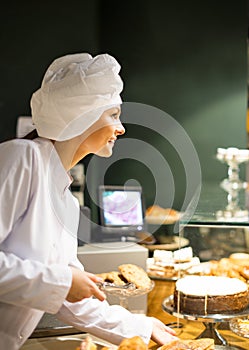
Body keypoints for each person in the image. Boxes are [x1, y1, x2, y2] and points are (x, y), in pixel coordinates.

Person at [0, 53, 178, 349]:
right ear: (80, 115)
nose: (121, 129)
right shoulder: (23, 158)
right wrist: (63, 282)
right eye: (114, 115)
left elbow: (72, 300)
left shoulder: (66, 202)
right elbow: (63, 285)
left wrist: (141, 327)